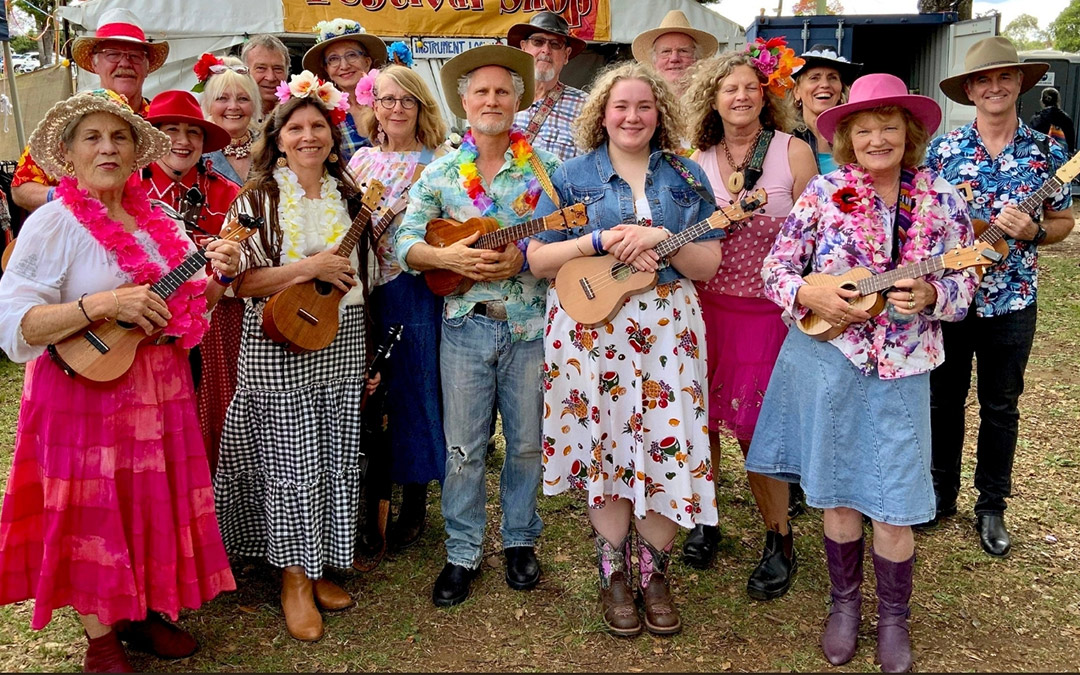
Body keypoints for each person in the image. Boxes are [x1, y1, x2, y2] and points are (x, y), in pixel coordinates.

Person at [0, 89, 240, 672]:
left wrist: (222, 275)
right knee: (91, 515)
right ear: (69, 152)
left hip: (160, 388)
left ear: (136, 151)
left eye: (120, 137)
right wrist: (105, 302)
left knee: (144, 506)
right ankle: (100, 642)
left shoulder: (161, 222)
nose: (107, 147)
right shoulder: (52, 223)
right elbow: (15, 328)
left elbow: (191, 307)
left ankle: (137, 612)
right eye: (93, 137)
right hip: (81, 391)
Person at [746, 73, 977, 672]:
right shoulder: (824, 192)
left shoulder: (942, 197)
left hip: (904, 368)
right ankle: (845, 605)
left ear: (911, 133)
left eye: (890, 127)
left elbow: (966, 279)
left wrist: (932, 293)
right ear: (847, 137)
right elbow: (777, 268)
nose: (878, 139)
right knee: (841, 497)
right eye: (865, 128)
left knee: (895, 502)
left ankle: (894, 618)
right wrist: (810, 297)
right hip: (831, 363)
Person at [527, 61, 721, 637]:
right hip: (590, 328)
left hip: (667, 327)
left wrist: (665, 239)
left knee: (667, 438)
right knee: (603, 440)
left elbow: (707, 262)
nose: (632, 116)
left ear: (660, 112)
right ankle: (614, 570)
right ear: (602, 114)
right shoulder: (570, 175)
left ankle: (654, 572)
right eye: (621, 106)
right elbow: (536, 259)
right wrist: (599, 240)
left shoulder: (685, 178)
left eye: (643, 106)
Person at [213, 72, 378, 643]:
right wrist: (309, 267)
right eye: (296, 127)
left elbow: (368, 278)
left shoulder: (353, 195)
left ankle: (322, 562)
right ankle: (293, 580)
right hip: (277, 342)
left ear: (333, 137)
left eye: (318, 127)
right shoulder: (256, 198)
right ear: (277, 138)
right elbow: (239, 282)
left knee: (333, 456)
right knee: (291, 468)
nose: (308, 136)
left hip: (343, 333)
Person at [394, 44, 559, 608]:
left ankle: (519, 541)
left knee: (526, 445)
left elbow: (566, 238)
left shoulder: (545, 168)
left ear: (518, 101)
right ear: (464, 102)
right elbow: (406, 244)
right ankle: (462, 551)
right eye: (481, 91)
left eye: (502, 92)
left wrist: (530, 253)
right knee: (463, 448)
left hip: (530, 326)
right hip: (464, 326)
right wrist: (450, 260)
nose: (492, 100)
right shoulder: (439, 172)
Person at [925, 37, 1073, 556]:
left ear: (1019, 85)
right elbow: (924, 222)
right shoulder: (940, 152)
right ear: (969, 90)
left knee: (1001, 406)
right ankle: (940, 495)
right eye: (983, 80)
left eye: (1004, 77)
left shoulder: (1049, 153)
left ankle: (991, 506)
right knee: (942, 400)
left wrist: (1032, 230)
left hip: (1012, 301)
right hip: (950, 299)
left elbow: (1062, 223)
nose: (994, 87)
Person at [681, 45, 816, 600]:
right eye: (729, 88)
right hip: (704, 308)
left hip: (768, 313)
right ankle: (706, 521)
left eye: (750, 87)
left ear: (767, 95)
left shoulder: (794, 152)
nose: (740, 96)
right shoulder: (694, 157)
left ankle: (778, 537)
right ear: (712, 97)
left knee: (761, 433)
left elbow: (818, 239)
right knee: (703, 424)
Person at [348, 65, 449, 552]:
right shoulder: (359, 162)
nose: (396, 109)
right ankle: (368, 498)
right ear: (373, 106)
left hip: (413, 286)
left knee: (415, 387)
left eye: (407, 100)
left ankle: (415, 498)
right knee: (369, 389)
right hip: (365, 289)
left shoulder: (440, 161)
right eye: (387, 100)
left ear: (421, 106)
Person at [142, 89, 243, 473]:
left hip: (209, 322)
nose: (183, 142)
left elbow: (237, 269)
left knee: (209, 415)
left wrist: (226, 267)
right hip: (136, 325)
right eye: (171, 130)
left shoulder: (227, 191)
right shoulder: (128, 188)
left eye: (193, 133)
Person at [11, 8, 168, 211]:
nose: (124, 63)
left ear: (147, 67)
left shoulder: (165, 121)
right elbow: (21, 187)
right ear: (95, 64)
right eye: (112, 54)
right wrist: (70, 199)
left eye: (135, 56)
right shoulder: (70, 119)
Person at [507, 11, 589, 161]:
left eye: (555, 44)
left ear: (566, 55)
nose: (546, 50)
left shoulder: (586, 107)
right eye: (538, 41)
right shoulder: (501, 96)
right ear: (523, 48)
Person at [303, 18, 387, 163]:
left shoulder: (389, 101)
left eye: (351, 55)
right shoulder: (323, 113)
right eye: (333, 59)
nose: (344, 65)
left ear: (367, 62)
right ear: (327, 70)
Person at [790, 44, 862, 173]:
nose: (824, 85)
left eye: (832, 78)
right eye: (814, 78)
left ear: (841, 90)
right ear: (796, 92)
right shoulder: (784, 137)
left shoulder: (855, 136)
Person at [197, 54, 262, 186]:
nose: (233, 107)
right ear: (209, 105)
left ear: (254, 104)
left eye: (243, 99)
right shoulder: (196, 152)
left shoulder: (268, 149)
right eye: (222, 98)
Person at [631, 9, 718, 90]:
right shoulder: (642, 98)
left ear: (696, 59)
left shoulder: (711, 100)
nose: (674, 59)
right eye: (666, 51)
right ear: (654, 60)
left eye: (683, 51)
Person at [241, 34, 291, 118]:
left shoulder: (297, 114)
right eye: (261, 68)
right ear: (244, 71)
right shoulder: (233, 115)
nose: (270, 77)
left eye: (277, 69)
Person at [1029, 87, 1075, 154]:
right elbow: (1071, 144)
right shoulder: (1066, 120)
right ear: (1058, 101)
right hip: (1061, 159)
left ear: (1042, 101)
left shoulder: (1035, 120)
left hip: (1040, 158)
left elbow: (1031, 142)